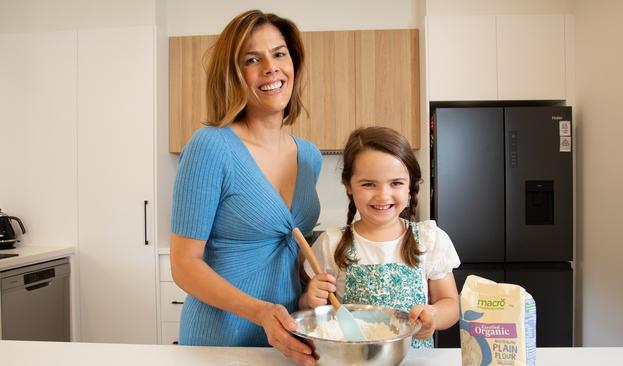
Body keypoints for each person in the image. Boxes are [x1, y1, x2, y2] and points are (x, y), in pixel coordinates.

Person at [170, 10, 319, 366]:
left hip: (288, 338)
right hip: (219, 341)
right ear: (234, 75)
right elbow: (184, 265)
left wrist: (309, 289)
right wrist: (260, 313)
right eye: (253, 59)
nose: (271, 67)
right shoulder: (210, 146)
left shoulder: (310, 156)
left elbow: (289, 255)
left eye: (279, 53)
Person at [299, 126, 461, 348]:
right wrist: (310, 299)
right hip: (354, 361)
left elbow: (450, 304)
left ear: (410, 185)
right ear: (348, 185)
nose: (383, 195)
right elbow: (308, 309)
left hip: (415, 361)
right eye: (368, 184)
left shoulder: (428, 239)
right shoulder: (332, 243)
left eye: (396, 183)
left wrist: (434, 315)